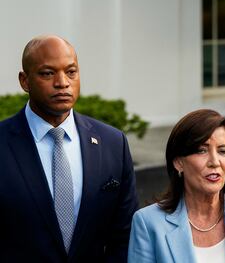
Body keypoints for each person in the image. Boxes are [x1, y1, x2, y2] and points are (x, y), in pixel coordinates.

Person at [0, 35, 138, 262]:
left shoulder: (113, 143)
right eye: (47, 73)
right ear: (25, 81)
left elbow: (124, 236)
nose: (62, 82)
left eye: (71, 72)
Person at [128, 109, 225, 262]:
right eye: (202, 150)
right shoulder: (148, 223)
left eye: (223, 151)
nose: (214, 161)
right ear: (178, 162)